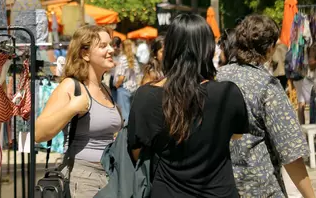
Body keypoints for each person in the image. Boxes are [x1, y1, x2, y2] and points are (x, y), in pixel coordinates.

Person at [128, 14, 249, 198]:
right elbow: (236, 135)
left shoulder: (146, 96)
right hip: (219, 192)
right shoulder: (228, 93)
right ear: (207, 49)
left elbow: (136, 151)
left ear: (170, 49)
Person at [217, 15, 314, 198]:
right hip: (259, 188)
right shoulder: (267, 86)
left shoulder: (216, 78)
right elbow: (291, 151)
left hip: (220, 185)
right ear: (270, 48)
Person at [35, 25, 123, 198]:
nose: (111, 50)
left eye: (111, 44)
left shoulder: (104, 88)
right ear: (85, 54)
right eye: (103, 46)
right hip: (83, 179)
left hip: (110, 175)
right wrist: (71, 108)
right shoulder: (71, 86)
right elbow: (38, 133)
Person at [114, 39, 140, 123]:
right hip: (134, 88)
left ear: (122, 47)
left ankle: (124, 135)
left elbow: (121, 77)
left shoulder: (122, 59)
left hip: (123, 88)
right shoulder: (134, 59)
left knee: (124, 115)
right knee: (132, 113)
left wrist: (116, 86)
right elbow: (138, 75)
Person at [108, 36, 123, 102]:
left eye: (116, 46)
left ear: (120, 45)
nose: (115, 48)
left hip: (121, 82)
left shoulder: (123, 56)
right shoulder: (110, 55)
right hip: (111, 79)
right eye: (113, 46)